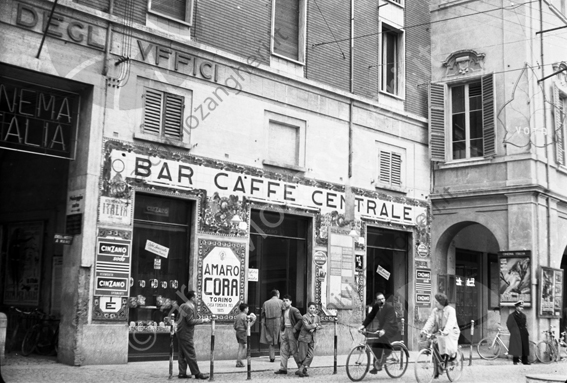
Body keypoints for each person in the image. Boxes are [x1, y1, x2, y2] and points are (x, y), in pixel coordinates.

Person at [358, 292, 398, 374]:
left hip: (391, 327)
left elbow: (388, 320)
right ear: (376, 301)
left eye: (383, 299)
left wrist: (383, 330)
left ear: (385, 299)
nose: (381, 300)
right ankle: (376, 367)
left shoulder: (389, 307)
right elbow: (370, 316)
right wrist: (363, 325)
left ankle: (388, 350)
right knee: (375, 345)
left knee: (383, 337)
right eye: (379, 299)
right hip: (382, 327)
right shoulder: (376, 307)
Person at [421, 293, 460, 376]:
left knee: (446, 346)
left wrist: (445, 331)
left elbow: (451, 322)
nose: (435, 303)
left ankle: (452, 358)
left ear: (441, 302)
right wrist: (424, 330)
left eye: (436, 302)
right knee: (434, 345)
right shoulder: (435, 311)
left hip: (451, 332)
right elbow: (430, 321)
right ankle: (437, 370)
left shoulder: (451, 310)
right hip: (440, 332)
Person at [177, 290, 210, 380]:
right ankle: (197, 373)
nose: (197, 299)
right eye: (196, 297)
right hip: (186, 333)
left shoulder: (184, 306)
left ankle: (182, 373)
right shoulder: (188, 307)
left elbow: (179, 319)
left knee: (182, 353)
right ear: (192, 298)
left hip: (181, 332)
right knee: (191, 353)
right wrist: (203, 320)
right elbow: (190, 321)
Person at [274, 294, 303, 375]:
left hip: (291, 331)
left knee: (294, 350)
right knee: (283, 350)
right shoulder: (283, 310)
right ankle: (283, 368)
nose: (285, 302)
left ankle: (301, 368)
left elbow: (301, 320)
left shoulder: (294, 310)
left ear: (291, 301)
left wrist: (295, 328)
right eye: (284, 300)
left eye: (287, 300)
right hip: (284, 330)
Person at [295, 301, 322, 378]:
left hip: (312, 338)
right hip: (304, 338)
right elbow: (306, 327)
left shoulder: (317, 317)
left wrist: (315, 327)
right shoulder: (304, 317)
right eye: (311, 308)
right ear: (308, 308)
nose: (312, 309)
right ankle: (304, 371)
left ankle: (301, 368)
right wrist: (315, 325)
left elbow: (320, 325)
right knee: (303, 356)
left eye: (313, 308)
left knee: (310, 355)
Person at [260, 289, 284, 362]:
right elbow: (284, 311)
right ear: (277, 294)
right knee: (280, 339)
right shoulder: (281, 302)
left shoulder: (266, 303)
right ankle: (283, 356)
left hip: (269, 321)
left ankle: (272, 357)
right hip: (278, 321)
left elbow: (262, 314)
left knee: (271, 340)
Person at [506, 300, 531, 365]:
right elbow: (509, 324)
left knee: (524, 346)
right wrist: (513, 331)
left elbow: (526, 324)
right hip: (516, 332)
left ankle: (525, 360)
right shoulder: (512, 315)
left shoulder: (523, 315)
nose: (521, 308)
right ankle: (515, 360)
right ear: (516, 307)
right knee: (516, 346)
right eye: (520, 307)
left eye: (522, 307)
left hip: (523, 332)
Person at [233, 303, 256, 367]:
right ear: (245, 309)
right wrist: (253, 321)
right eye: (247, 308)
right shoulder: (245, 316)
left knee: (241, 346)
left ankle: (239, 361)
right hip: (242, 332)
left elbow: (234, 326)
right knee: (242, 347)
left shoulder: (238, 316)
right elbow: (247, 326)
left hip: (238, 332)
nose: (248, 309)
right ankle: (238, 361)